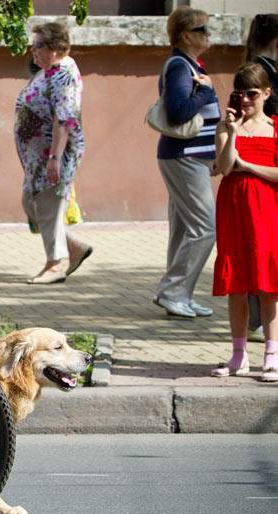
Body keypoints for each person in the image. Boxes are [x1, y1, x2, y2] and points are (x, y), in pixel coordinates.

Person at [210, 62, 278, 383]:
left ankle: (272, 356)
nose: (246, 100)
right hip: (234, 208)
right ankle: (238, 357)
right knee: (237, 284)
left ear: (266, 93)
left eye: (252, 93)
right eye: (240, 93)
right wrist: (233, 131)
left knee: (268, 286)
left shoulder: (275, 128)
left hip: (267, 210)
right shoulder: (225, 128)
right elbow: (225, 167)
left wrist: (248, 166)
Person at [151, 7, 220, 319]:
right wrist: (205, 91)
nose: (208, 34)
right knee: (205, 228)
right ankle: (173, 293)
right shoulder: (180, 66)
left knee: (183, 230)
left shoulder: (188, 64)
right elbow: (178, 112)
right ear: (185, 36)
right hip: (184, 156)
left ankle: (180, 296)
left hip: (192, 156)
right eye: (202, 29)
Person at [14, 22, 92, 285]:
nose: (32, 50)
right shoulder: (50, 71)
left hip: (54, 154)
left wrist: (55, 159)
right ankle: (72, 246)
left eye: (38, 45)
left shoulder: (64, 74)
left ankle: (55, 264)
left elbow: (64, 118)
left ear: (56, 48)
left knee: (49, 206)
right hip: (37, 159)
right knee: (30, 202)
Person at [241, 14, 278, 343]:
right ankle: (258, 323)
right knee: (260, 250)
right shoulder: (262, 73)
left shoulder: (260, 67)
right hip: (263, 170)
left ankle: (260, 323)